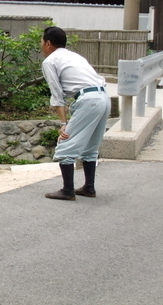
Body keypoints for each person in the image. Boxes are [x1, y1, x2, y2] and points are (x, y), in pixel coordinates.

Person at [40, 26, 111, 201]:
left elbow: (57, 96)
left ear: (48, 43)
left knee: (66, 144)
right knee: (90, 147)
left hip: (89, 100)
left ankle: (67, 190)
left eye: (41, 42)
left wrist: (64, 123)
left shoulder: (50, 61)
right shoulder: (75, 56)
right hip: (103, 97)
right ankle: (89, 187)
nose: (41, 46)